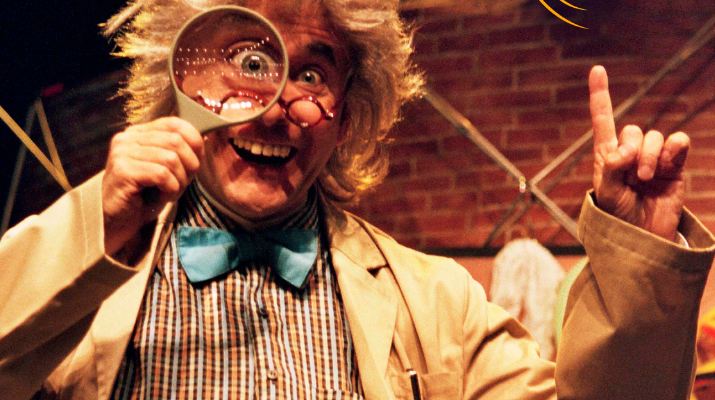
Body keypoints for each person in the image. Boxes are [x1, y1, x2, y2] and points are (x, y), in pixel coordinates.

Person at [0, 0, 713, 399]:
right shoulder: (90, 266)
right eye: (250, 62)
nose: (277, 109)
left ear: (347, 113)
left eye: (312, 74)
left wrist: (637, 265)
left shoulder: (437, 304)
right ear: (186, 80)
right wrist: (98, 224)